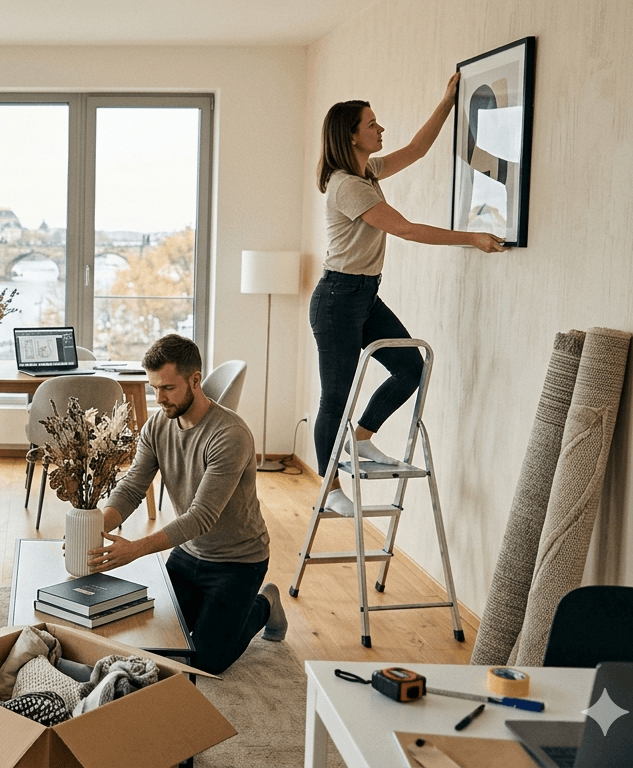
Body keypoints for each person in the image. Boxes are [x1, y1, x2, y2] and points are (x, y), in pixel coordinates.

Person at [313, 73, 507, 514]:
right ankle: (329, 492)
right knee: (335, 396)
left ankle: (361, 439)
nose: (381, 130)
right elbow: (404, 228)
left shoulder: (368, 170)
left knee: (410, 367)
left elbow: (418, 149)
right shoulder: (349, 184)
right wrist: (471, 238)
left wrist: (447, 102)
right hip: (338, 299)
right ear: (352, 137)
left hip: (362, 295)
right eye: (372, 124)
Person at [87, 334, 286, 675]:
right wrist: (95, 527)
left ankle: (265, 602)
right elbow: (133, 486)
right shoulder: (157, 425)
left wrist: (135, 549)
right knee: (157, 638)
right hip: (188, 553)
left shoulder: (230, 435)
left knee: (207, 661)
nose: (159, 398)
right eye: (153, 388)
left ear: (195, 380)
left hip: (238, 561)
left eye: (167, 388)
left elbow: (201, 517)